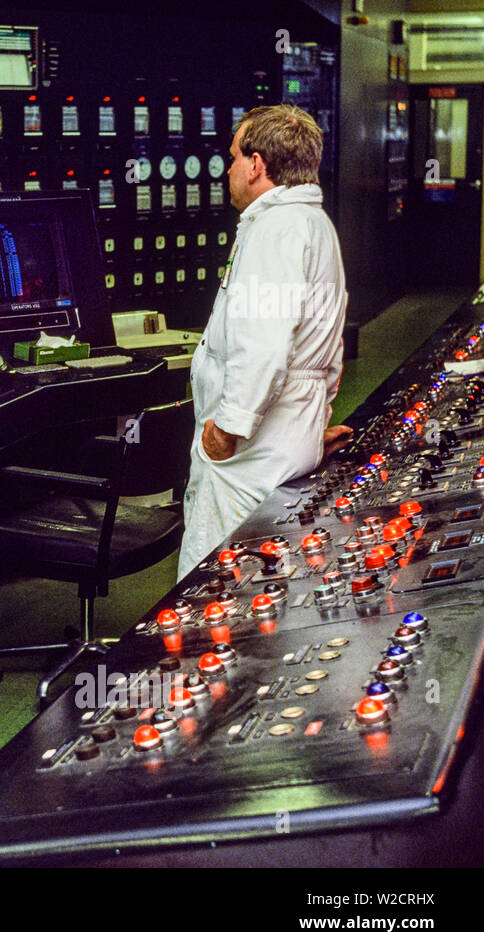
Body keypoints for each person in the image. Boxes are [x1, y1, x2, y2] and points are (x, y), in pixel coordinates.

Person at [177, 104, 353, 580]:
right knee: (269, 581)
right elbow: (325, 340)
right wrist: (313, 419)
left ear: (256, 165)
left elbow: (265, 343)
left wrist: (229, 427)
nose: (229, 167)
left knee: (215, 586)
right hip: (284, 436)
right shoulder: (312, 224)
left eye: (234, 156)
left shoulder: (277, 229)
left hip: (249, 456)